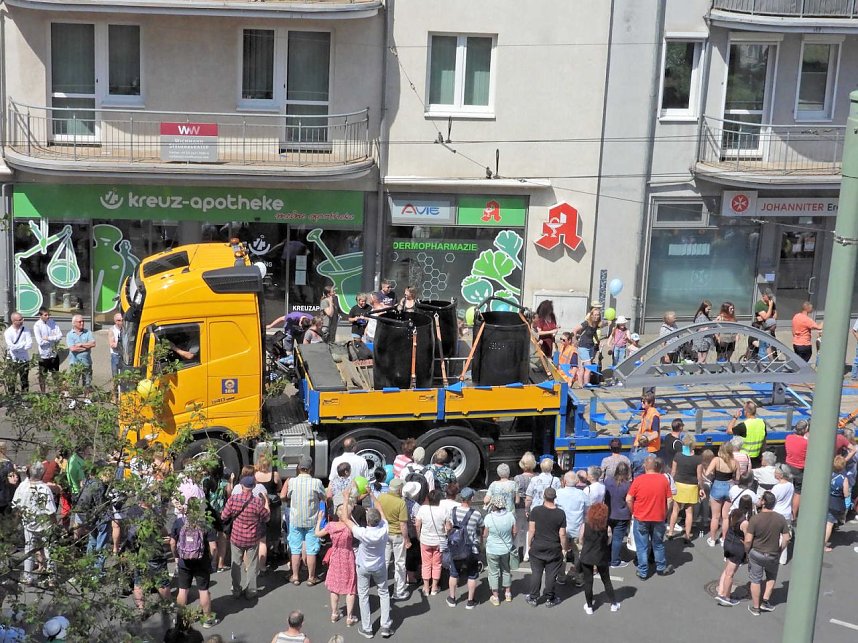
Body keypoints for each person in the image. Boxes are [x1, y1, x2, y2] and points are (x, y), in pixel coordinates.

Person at [342, 499, 393, 639]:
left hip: (363, 567)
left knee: (363, 595)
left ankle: (367, 628)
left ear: (367, 520)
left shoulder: (362, 532)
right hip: (379, 566)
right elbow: (381, 510)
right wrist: (372, 495)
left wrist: (346, 498)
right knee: (384, 592)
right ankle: (386, 626)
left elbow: (345, 518)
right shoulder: (384, 528)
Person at [169, 498, 218, 628]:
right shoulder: (206, 523)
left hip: (184, 561)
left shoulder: (179, 522)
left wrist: (176, 556)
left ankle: (180, 620)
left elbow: (172, 543)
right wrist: (211, 560)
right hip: (202, 561)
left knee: (183, 590)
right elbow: (213, 547)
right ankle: (207, 620)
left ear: (187, 508)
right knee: (203, 590)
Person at [220, 475, 270, 599]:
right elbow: (266, 517)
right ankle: (251, 591)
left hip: (237, 537)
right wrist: (267, 503)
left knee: (235, 564)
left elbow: (224, 516)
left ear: (241, 486)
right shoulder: (257, 502)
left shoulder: (233, 499)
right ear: (253, 487)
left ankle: (236, 589)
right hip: (252, 538)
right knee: (252, 564)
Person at [626, 455, 675, 580]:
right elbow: (670, 500)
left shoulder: (638, 480)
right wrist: (665, 513)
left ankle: (643, 572)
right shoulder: (663, 480)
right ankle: (661, 567)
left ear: (644, 466)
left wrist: (633, 511)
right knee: (658, 544)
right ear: (656, 466)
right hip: (659, 517)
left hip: (641, 517)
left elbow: (628, 499)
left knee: (642, 546)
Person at [745, 491, 790, 615]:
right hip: (772, 554)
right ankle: (765, 601)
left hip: (757, 553)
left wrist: (747, 551)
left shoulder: (755, 519)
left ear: (764, 502)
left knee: (756, 580)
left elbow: (748, 540)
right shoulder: (780, 518)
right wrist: (780, 550)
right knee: (771, 577)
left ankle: (755, 608)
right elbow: (786, 538)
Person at [12, 461, 56, 586]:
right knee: (49, 551)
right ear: (42, 474)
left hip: (29, 524)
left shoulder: (22, 487)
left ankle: (28, 576)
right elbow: (51, 511)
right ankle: (52, 578)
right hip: (45, 525)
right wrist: (55, 524)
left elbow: (16, 506)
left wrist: (16, 521)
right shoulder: (45, 489)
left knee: (29, 551)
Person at [284, 455, 325, 586]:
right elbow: (323, 496)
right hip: (311, 520)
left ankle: (295, 576)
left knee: (295, 549)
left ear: (299, 467)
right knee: (311, 550)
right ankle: (311, 577)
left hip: (296, 519)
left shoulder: (292, 482)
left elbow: (288, 496)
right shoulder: (316, 482)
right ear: (310, 468)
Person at [315, 503, 358, 626]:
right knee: (350, 586)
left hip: (335, 555)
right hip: (348, 555)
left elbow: (317, 533)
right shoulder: (350, 527)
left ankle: (334, 613)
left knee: (334, 586)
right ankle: (349, 617)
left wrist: (319, 520)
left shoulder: (331, 525)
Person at [525, 487, 567, 607]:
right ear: (555, 498)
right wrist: (564, 548)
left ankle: (533, 597)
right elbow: (562, 534)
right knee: (551, 574)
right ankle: (550, 598)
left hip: (538, 546)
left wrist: (529, 545)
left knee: (536, 573)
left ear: (544, 496)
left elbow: (531, 530)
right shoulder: (560, 513)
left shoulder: (536, 510)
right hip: (553, 548)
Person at [444, 487, 483, 608]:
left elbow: (448, 526)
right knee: (472, 575)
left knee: (454, 573)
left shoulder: (453, 511)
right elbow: (482, 527)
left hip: (456, 547)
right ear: (471, 498)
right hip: (471, 548)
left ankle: (452, 598)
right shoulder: (476, 514)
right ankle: (470, 601)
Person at [578, 503, 619, 614]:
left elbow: (581, 540)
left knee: (588, 582)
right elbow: (608, 542)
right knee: (606, 580)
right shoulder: (607, 528)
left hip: (587, 556)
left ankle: (590, 606)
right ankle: (613, 604)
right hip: (601, 556)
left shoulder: (585, 526)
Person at [715, 495, 754, 606]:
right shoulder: (745, 522)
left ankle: (721, 591)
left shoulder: (734, 513)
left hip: (728, 543)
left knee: (727, 569)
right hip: (737, 548)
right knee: (730, 574)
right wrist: (747, 552)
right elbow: (747, 540)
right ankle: (726, 597)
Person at [377, 477, 410, 600]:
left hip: (384, 533)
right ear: (399, 489)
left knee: (384, 562)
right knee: (399, 563)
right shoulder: (401, 503)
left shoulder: (381, 497)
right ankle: (398, 591)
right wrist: (407, 539)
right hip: (397, 535)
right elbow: (403, 524)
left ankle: (382, 588)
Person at [555, 470, 590, 583]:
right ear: (576, 481)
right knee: (578, 554)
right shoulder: (582, 494)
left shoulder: (558, 493)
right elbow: (587, 512)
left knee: (562, 553)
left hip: (562, 529)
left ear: (564, 481)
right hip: (577, 529)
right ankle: (579, 578)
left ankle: (561, 577)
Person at [483, 494, 517, 606]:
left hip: (492, 549)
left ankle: (496, 596)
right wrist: (511, 540)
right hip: (506, 548)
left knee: (493, 572)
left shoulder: (489, 517)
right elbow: (514, 532)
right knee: (506, 570)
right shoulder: (510, 516)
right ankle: (508, 593)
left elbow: (485, 534)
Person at [669, 434, 703, 545]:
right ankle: (687, 535)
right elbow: (699, 477)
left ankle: (670, 532)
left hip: (679, 484)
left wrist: (670, 484)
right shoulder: (698, 459)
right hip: (692, 487)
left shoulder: (677, 456)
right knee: (689, 512)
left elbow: (673, 472)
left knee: (675, 510)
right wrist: (701, 488)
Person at [705, 442, 738, 546]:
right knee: (725, 517)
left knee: (715, 516)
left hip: (717, 486)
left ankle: (713, 539)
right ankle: (724, 539)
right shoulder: (735, 462)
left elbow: (707, 474)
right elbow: (738, 479)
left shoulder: (716, 460)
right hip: (729, 487)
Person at [254, 454, 282, 572]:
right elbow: (279, 486)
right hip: (274, 504)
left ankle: (260, 553)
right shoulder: (274, 475)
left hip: (260, 505)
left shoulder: (255, 476)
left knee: (261, 531)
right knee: (275, 526)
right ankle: (275, 549)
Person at [604, 462, 632, 568]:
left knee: (608, 537)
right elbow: (630, 500)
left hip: (609, 513)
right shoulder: (627, 485)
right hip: (622, 515)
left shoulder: (608, 481)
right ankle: (615, 561)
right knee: (617, 539)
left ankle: (607, 557)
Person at [727, 401, 767, 468]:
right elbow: (764, 441)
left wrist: (735, 417)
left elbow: (729, 430)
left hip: (744, 458)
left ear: (746, 412)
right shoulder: (762, 422)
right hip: (756, 457)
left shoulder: (744, 425)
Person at [572, 307, 605, 387]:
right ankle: (585, 385)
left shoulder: (595, 324)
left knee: (583, 367)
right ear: (591, 315)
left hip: (590, 346)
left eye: (598, 315)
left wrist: (598, 341)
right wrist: (574, 340)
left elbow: (593, 333)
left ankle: (582, 385)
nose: (597, 317)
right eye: (595, 315)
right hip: (583, 346)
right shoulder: (586, 323)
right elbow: (575, 330)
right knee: (589, 367)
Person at [33, 307, 63, 393]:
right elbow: (40, 342)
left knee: (55, 373)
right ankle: (43, 393)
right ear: (40, 315)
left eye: (48, 314)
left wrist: (48, 338)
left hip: (53, 353)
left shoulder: (52, 322)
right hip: (43, 355)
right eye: (45, 315)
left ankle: (58, 392)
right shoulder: (37, 325)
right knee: (43, 375)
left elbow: (60, 336)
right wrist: (53, 339)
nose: (48, 316)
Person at [825, 455, 851, 552]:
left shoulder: (829, 473)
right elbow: (846, 493)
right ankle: (823, 545)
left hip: (826, 500)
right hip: (835, 503)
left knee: (823, 522)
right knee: (829, 524)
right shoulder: (844, 479)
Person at [514, 452, 536, 561]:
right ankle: (527, 552)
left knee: (518, 529)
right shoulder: (537, 478)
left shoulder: (517, 478)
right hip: (532, 507)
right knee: (529, 530)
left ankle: (517, 551)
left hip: (519, 507)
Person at [4, 312, 32, 393]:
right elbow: (11, 347)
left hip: (24, 359)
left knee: (24, 380)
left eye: (22, 319)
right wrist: (23, 344)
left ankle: (25, 398)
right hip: (12, 359)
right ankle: (11, 398)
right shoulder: (8, 332)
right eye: (20, 320)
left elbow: (29, 344)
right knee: (11, 380)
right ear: (13, 321)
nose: (22, 320)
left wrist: (19, 347)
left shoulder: (26, 330)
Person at [65, 314, 96, 388]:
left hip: (87, 362)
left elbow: (93, 344)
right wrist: (86, 347)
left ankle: (86, 398)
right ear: (74, 323)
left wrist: (80, 344)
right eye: (80, 322)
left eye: (83, 321)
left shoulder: (88, 332)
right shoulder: (70, 335)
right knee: (74, 383)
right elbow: (73, 348)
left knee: (87, 383)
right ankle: (74, 398)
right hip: (75, 363)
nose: (82, 323)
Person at [753, 289, 777, 361]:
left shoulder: (772, 303)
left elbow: (775, 315)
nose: (770, 299)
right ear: (764, 296)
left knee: (773, 347)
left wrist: (769, 318)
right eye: (768, 297)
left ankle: (773, 360)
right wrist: (770, 306)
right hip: (762, 329)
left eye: (771, 297)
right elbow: (766, 317)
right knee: (763, 347)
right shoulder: (759, 305)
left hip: (771, 329)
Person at [108, 312, 123, 378]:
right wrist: (120, 342)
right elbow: (112, 345)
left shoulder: (126, 329)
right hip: (116, 355)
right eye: (118, 320)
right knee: (115, 375)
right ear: (115, 321)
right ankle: (115, 388)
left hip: (124, 355)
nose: (121, 322)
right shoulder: (112, 330)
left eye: (122, 320)